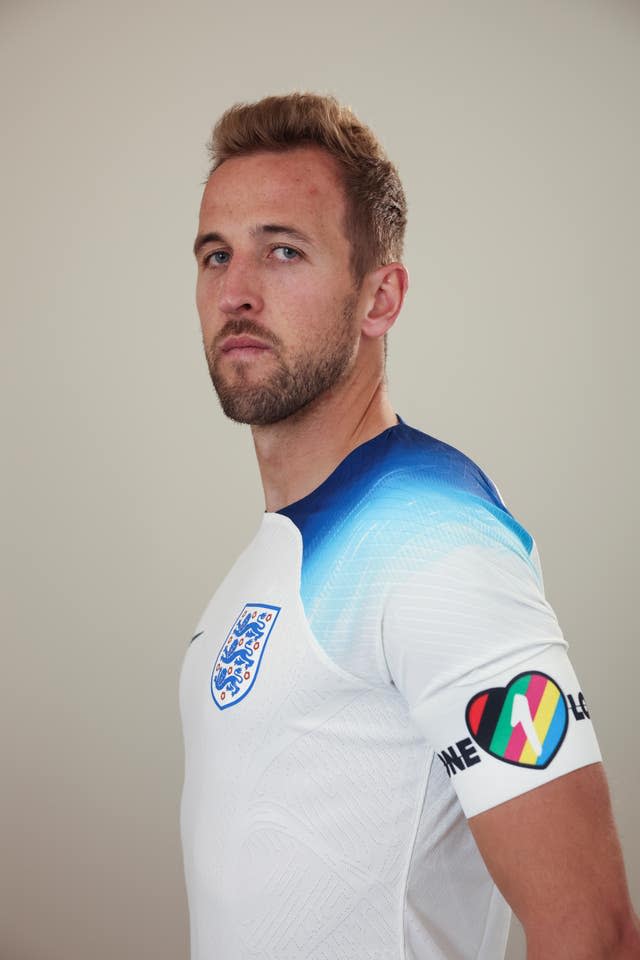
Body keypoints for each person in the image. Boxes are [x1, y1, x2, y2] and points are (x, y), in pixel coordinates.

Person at [180, 92, 639, 959]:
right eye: (215, 255)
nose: (235, 292)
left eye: (282, 250)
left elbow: (593, 931)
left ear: (379, 298)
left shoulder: (435, 541)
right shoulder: (277, 547)